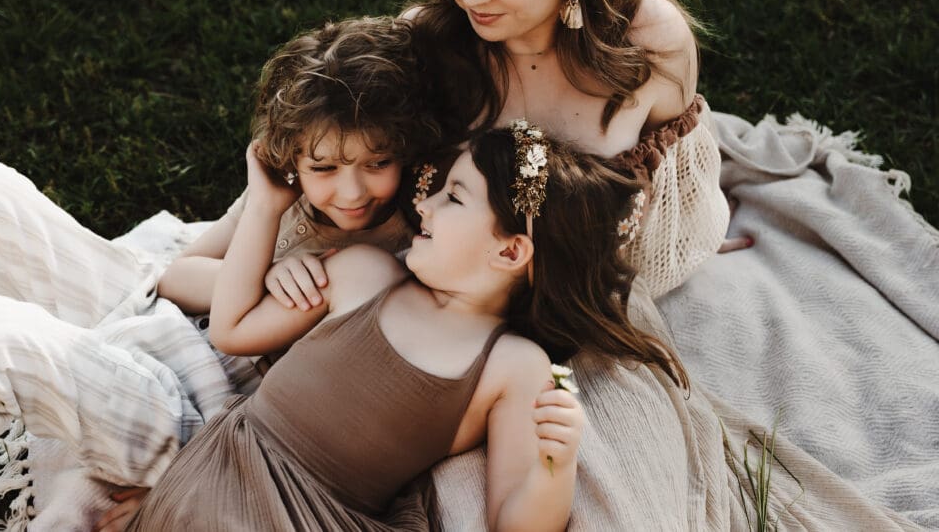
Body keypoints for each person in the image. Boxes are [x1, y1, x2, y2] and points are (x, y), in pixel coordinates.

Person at [0, 16, 443, 521]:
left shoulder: (388, 258)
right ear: (292, 159)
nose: (350, 191)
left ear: (407, 149)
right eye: (324, 168)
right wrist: (262, 265)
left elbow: (236, 335)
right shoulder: (290, 198)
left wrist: (260, 260)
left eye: (376, 164)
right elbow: (175, 276)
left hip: (198, 405)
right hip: (161, 321)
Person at [92, 123, 686, 531]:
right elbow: (224, 319)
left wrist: (556, 466)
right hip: (214, 474)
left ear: (510, 253)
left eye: (453, 197)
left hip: (314, 514)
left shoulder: (512, 366)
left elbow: (515, 521)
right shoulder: (363, 274)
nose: (422, 207)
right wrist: (270, 239)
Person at [409, 0, 739, 299]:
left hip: (586, 305)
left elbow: (679, 181)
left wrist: (693, 242)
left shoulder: (648, 41)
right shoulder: (426, 45)